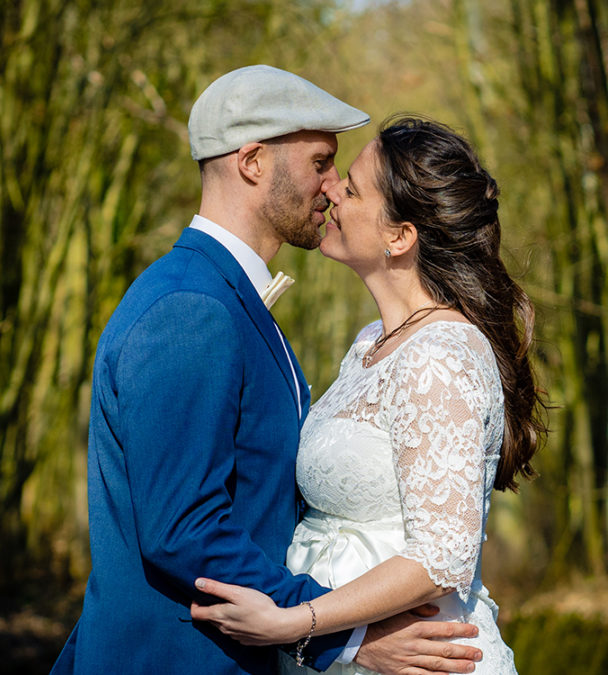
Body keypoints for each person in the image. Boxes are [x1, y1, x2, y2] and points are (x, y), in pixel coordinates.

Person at [50, 68, 485, 675]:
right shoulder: (191, 309)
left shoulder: (233, 305)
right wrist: (344, 638)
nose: (333, 187)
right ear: (253, 162)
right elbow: (183, 526)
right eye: (320, 162)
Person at [190, 117, 546, 674]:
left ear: (399, 236)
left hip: (421, 659)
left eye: (352, 188)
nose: (331, 189)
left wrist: (296, 621)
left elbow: (442, 555)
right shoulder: (369, 346)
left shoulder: (440, 357)